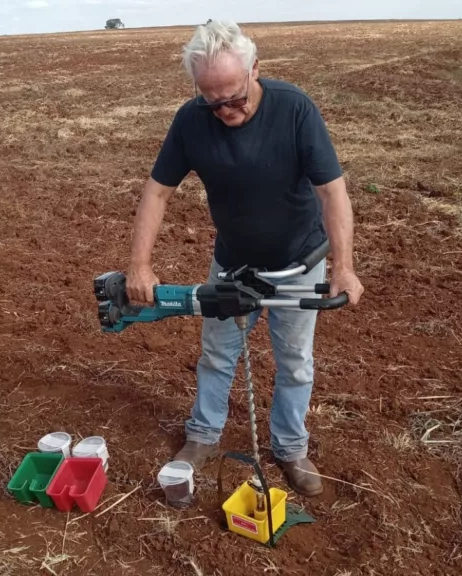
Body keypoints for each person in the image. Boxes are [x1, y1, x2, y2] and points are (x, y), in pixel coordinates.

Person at [125, 20, 364, 496]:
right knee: (217, 354)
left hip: (299, 263)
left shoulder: (294, 109)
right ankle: (203, 436)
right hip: (233, 264)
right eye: (212, 100)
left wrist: (343, 266)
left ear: (256, 69)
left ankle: (291, 446)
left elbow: (331, 192)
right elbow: (157, 192)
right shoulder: (191, 119)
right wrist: (139, 265)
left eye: (235, 97)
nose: (225, 110)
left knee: (295, 360)